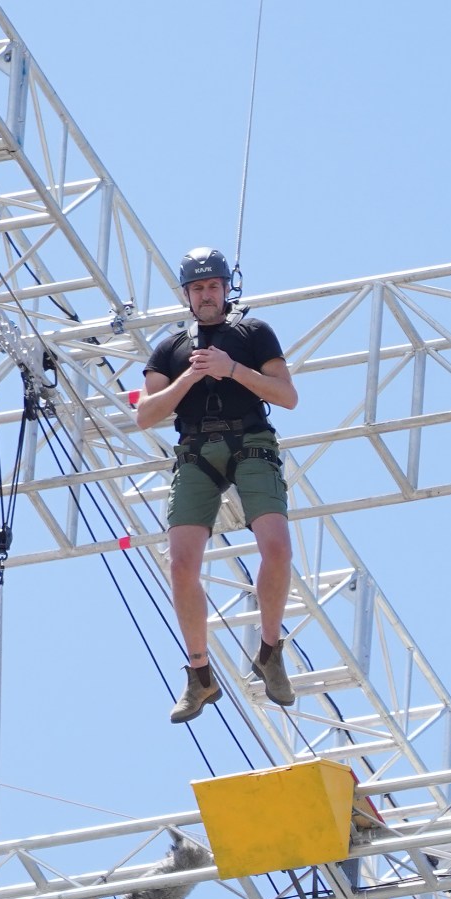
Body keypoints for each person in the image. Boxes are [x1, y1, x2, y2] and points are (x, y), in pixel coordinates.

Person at [137, 247, 299, 723]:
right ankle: (199, 673)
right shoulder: (169, 348)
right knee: (182, 564)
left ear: (227, 289)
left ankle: (269, 650)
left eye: (213, 287)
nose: (207, 295)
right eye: (198, 289)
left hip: (250, 441)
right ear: (187, 295)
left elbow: (287, 396)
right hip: (195, 451)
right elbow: (147, 413)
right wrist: (191, 375)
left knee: (277, 548)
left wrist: (233, 370)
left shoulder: (252, 334)